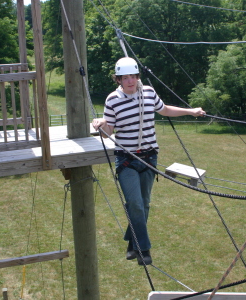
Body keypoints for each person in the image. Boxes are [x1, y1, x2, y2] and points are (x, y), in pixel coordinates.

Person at [92, 57, 205, 265]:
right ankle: (143, 249)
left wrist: (191, 111)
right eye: (125, 78)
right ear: (118, 79)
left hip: (150, 157)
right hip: (127, 159)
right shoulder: (112, 100)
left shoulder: (149, 93)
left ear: (137, 77)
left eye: (133, 76)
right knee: (134, 202)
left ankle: (132, 241)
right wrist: (101, 124)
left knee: (143, 204)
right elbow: (109, 132)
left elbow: (165, 110)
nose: (130, 81)